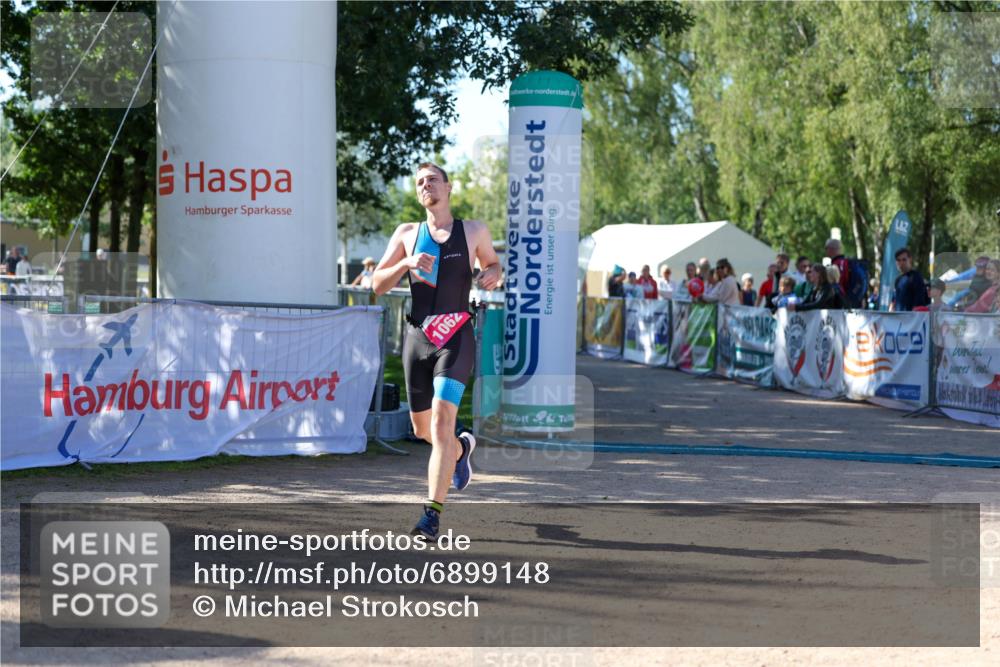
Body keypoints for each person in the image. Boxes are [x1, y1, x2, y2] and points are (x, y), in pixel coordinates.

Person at [372, 162, 502, 539]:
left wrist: (495, 273)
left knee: (443, 421)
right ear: (418, 195)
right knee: (422, 429)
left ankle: (431, 514)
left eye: (432, 179)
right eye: (419, 183)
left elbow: (492, 265)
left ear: (448, 187)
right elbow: (378, 285)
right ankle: (461, 450)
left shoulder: (473, 230)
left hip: (456, 336)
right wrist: (407, 263)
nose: (426, 185)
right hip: (418, 337)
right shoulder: (407, 233)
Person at [890, 247, 929, 312]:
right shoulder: (898, 280)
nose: (901, 263)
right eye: (898, 260)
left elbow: (919, 302)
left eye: (904, 259)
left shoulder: (916, 276)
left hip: (911, 319)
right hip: (898, 319)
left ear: (910, 259)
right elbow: (894, 301)